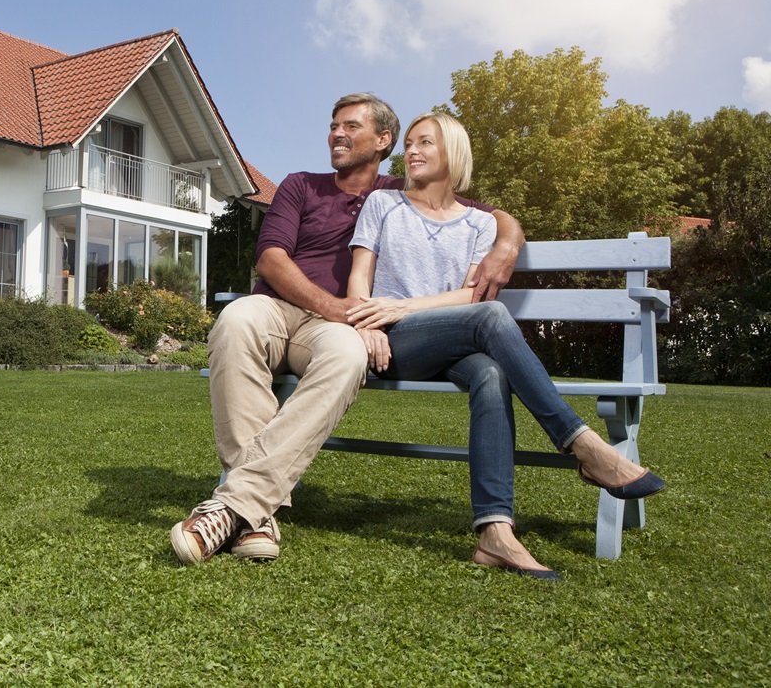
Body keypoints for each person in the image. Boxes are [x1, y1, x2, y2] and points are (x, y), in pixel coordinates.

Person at [170, 93, 526, 565]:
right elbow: (271, 259)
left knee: (347, 355)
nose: (337, 133)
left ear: (382, 140)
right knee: (235, 318)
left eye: (351, 126)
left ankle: (235, 506)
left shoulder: (401, 192)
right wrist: (336, 307)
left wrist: (508, 243)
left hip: (341, 329)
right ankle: (255, 513)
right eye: (334, 125)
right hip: (280, 310)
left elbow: (486, 212)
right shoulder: (301, 185)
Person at [346, 112, 666, 581]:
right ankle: (584, 446)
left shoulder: (479, 223)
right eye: (409, 143)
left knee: (492, 373)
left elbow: (470, 295)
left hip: (448, 338)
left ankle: (495, 533)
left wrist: (405, 306)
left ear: (452, 152)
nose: (411, 151)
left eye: (425, 142)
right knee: (493, 316)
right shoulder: (383, 204)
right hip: (394, 344)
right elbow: (359, 276)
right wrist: (368, 322)